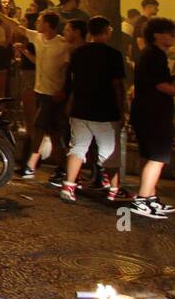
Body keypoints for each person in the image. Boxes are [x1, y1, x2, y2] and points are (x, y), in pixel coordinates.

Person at [60, 17, 128, 204]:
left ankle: (68, 186)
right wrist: (122, 109)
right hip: (105, 109)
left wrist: (70, 102)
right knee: (109, 153)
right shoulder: (113, 54)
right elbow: (117, 85)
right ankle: (114, 189)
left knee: (78, 147)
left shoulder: (79, 53)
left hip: (80, 108)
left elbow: (74, 81)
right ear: (106, 31)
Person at [11, 11, 72, 181]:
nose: (36, 23)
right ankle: (61, 168)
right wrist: (24, 51)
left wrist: (65, 90)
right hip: (42, 92)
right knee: (53, 133)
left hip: (53, 95)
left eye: (40, 21)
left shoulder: (62, 44)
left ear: (47, 24)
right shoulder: (38, 38)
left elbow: (68, 69)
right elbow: (17, 26)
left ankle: (31, 164)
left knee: (39, 128)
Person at [129, 17, 175, 218]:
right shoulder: (155, 55)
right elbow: (161, 85)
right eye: (170, 33)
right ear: (157, 35)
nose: (173, 37)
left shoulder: (150, 54)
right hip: (154, 114)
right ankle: (143, 199)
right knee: (157, 158)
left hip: (145, 112)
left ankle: (150, 198)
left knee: (148, 156)